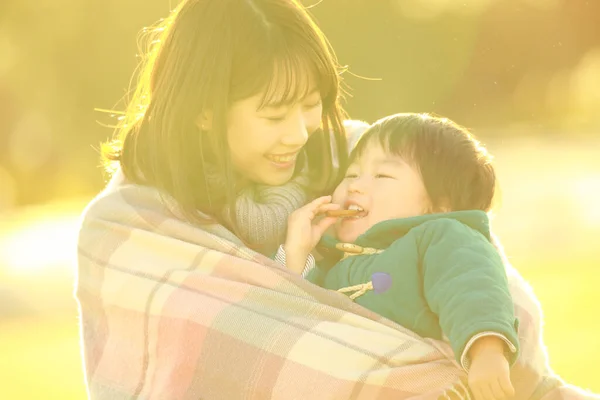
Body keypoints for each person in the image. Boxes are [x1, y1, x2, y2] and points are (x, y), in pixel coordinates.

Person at [76, 0, 589, 399]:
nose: (300, 133)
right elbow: (250, 344)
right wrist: (291, 259)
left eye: (310, 105)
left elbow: (482, 282)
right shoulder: (134, 228)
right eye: (274, 116)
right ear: (204, 112)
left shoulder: (349, 156)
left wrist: (477, 349)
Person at [279, 113, 519, 400]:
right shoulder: (335, 266)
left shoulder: (442, 237)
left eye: (382, 175)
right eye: (351, 174)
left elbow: (472, 286)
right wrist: (296, 252)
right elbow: (294, 307)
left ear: (438, 205)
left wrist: (487, 352)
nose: (355, 185)